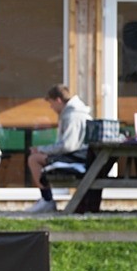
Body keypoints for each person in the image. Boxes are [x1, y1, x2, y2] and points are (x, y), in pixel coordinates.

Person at [25, 84, 92, 213]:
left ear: (58, 100)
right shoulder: (74, 112)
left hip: (77, 158)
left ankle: (47, 200)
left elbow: (68, 145)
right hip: (80, 155)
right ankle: (46, 200)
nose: (51, 108)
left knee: (34, 159)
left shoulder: (73, 116)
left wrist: (42, 149)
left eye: (51, 104)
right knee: (36, 156)